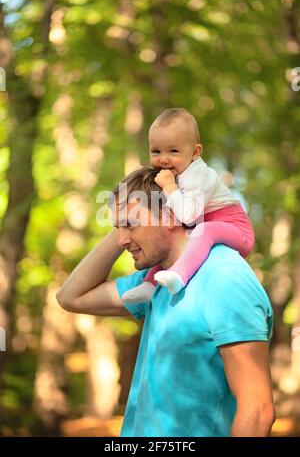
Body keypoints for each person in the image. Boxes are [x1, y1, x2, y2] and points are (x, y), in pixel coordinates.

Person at [57, 167, 275, 437]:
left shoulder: (224, 279)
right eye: (117, 228)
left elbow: (258, 410)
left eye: (130, 225)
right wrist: (124, 220)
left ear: (170, 215)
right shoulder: (153, 282)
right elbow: (71, 297)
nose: (122, 240)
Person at [121, 108, 255, 304]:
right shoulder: (177, 173)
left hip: (236, 229)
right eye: (156, 151)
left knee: (203, 230)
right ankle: (150, 285)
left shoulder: (200, 175)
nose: (164, 159)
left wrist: (170, 186)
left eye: (173, 151)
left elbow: (189, 216)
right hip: (207, 224)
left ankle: (179, 276)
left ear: (195, 152)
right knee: (166, 240)